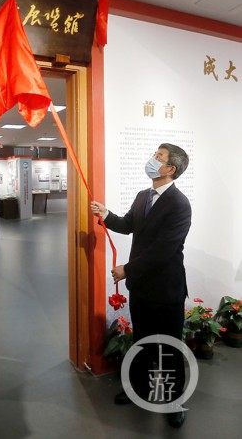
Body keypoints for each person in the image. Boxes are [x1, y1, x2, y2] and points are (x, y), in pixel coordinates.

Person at [90, 143, 191, 429]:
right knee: (142, 342)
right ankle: (140, 389)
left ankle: (174, 401)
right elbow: (128, 224)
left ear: (170, 169)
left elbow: (164, 250)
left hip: (166, 289)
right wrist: (106, 214)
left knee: (169, 347)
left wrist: (127, 269)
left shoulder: (179, 204)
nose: (152, 159)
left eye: (159, 157)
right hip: (142, 287)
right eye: (154, 154)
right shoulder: (142, 196)